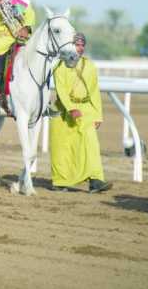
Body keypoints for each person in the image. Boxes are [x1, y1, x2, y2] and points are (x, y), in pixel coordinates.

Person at [50, 32, 112, 193]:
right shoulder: (60, 65)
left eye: (82, 45)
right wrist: (71, 108)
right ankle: (60, 181)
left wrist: (98, 115)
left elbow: (94, 91)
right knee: (62, 146)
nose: (80, 48)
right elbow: (61, 89)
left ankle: (96, 180)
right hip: (63, 110)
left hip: (86, 110)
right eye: (77, 45)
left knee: (91, 143)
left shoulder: (89, 65)